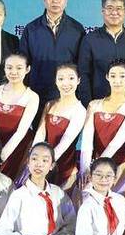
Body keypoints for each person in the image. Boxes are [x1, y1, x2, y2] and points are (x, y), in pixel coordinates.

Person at [78, 59, 125, 195]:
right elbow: (87, 140)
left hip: (121, 170)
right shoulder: (94, 105)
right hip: (94, 169)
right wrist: (85, 168)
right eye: (113, 76)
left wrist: (96, 168)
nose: (117, 80)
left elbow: (116, 142)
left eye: (122, 76)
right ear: (107, 77)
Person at [19, 0, 86, 106]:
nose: (55, 1)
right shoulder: (31, 29)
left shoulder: (77, 29)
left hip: (67, 95)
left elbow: (82, 64)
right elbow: (23, 63)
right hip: (36, 95)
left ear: (66, 0)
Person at [28, 64, 86, 192]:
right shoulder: (50, 104)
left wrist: (45, 162)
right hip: (42, 164)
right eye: (61, 79)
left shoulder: (80, 110)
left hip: (64, 168)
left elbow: (65, 142)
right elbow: (40, 133)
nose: (66, 83)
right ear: (55, 81)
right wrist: (34, 158)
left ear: (78, 80)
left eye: (71, 78)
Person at [77, 0, 125, 105]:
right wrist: (88, 104)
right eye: (109, 8)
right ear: (103, 11)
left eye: (119, 8)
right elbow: (84, 74)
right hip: (98, 104)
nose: (114, 12)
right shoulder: (90, 39)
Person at [0, 52, 40, 177]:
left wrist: (2, 156)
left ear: (27, 69)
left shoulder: (32, 97)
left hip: (19, 146)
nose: (13, 72)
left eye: (19, 68)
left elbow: (21, 131)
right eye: (9, 67)